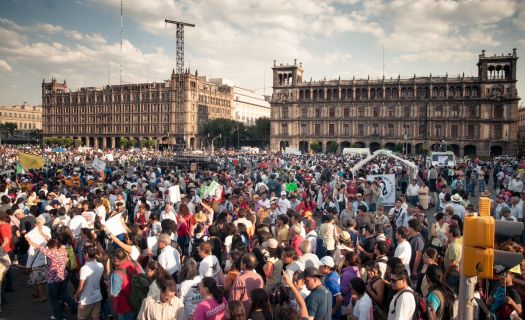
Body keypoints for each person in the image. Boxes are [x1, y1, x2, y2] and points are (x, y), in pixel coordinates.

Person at [74, 245, 104, 320]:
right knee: (96, 317)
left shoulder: (84, 268)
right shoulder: (100, 265)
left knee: (81, 317)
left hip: (86, 299)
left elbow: (81, 287)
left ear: (86, 254)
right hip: (97, 296)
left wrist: (76, 295)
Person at [443, 224, 462, 294]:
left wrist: (445, 275)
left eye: (447, 231)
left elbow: (452, 263)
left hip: (452, 276)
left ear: (451, 233)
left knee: (451, 294)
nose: (445, 233)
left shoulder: (454, 246)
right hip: (454, 275)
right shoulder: (456, 244)